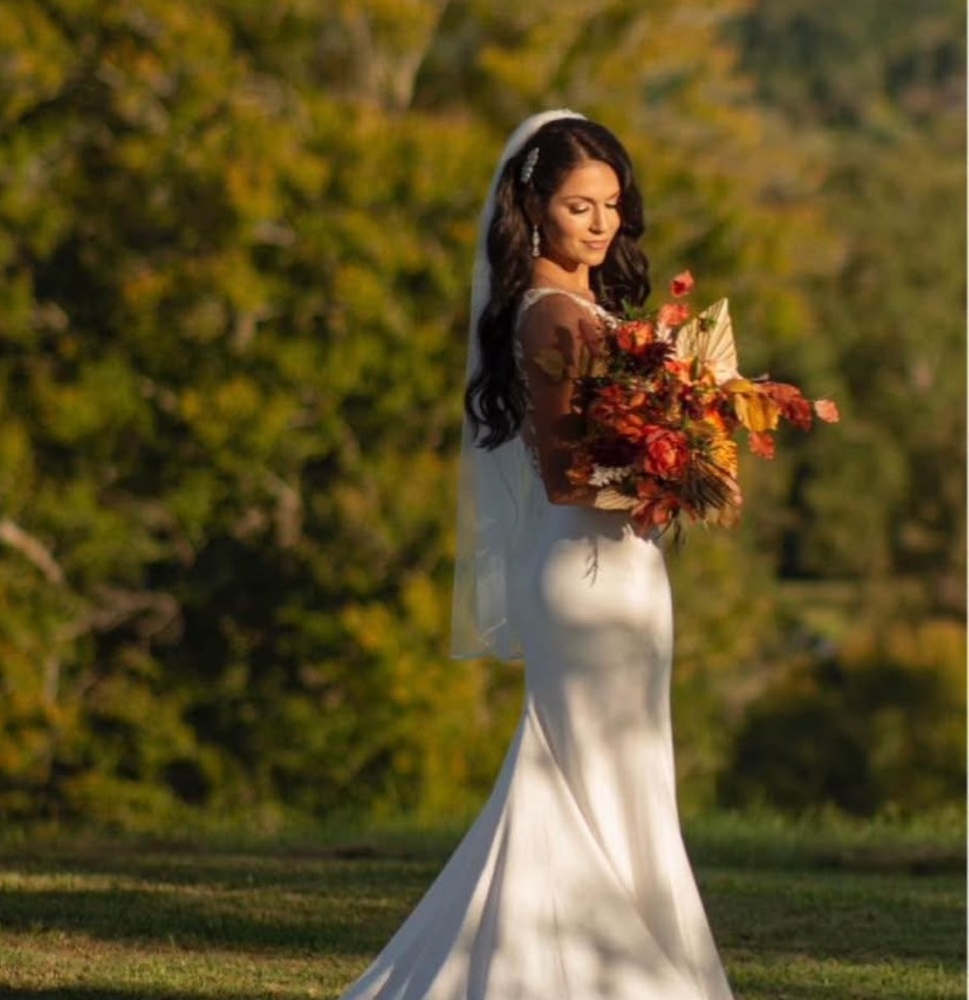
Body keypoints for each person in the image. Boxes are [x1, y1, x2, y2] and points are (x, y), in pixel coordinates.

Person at [337, 110, 735, 1000]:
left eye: (611, 207)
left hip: (626, 572)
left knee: (627, 774)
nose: (599, 225)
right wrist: (674, 476)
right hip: (587, 578)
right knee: (580, 775)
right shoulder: (553, 316)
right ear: (534, 208)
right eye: (579, 206)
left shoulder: (596, 309)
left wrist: (685, 444)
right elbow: (565, 477)